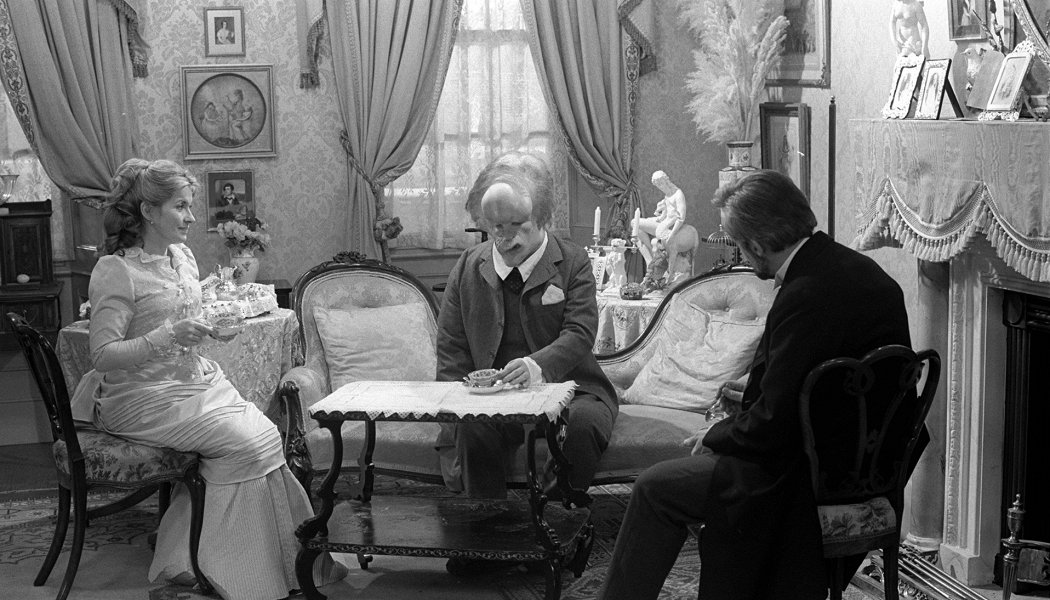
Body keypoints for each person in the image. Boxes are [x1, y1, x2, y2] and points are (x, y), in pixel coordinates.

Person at [597, 170, 913, 600]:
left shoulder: (804, 294)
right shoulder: (863, 272)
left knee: (655, 487)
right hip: (874, 466)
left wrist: (718, 433)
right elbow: (815, 383)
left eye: (740, 244)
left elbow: (774, 422)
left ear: (759, 245)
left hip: (809, 476)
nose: (742, 254)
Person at [69, 159, 344, 600]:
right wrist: (168, 335)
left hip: (194, 383)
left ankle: (225, 557)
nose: (192, 217)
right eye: (181, 207)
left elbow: (185, 316)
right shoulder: (116, 270)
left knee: (266, 436)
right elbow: (102, 355)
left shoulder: (181, 256)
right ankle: (216, 565)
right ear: (148, 211)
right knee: (248, 444)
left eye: (190, 206)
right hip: (140, 397)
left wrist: (211, 327)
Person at [435, 151, 618, 575]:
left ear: (542, 217)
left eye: (518, 226)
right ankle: (488, 540)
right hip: (493, 398)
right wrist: (454, 405)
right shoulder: (468, 266)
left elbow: (580, 333)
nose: (506, 238)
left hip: (573, 390)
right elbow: (451, 347)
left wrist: (537, 366)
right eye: (496, 228)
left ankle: (551, 535)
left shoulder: (572, 261)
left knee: (582, 428)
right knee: (473, 428)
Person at [635, 170, 686, 265]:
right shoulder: (667, 195)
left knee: (635, 223)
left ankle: (650, 257)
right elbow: (665, 213)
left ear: (666, 181)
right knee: (635, 224)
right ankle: (650, 257)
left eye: (661, 184)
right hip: (665, 221)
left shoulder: (678, 194)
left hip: (670, 225)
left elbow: (681, 218)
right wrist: (659, 217)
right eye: (657, 185)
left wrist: (672, 235)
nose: (660, 187)